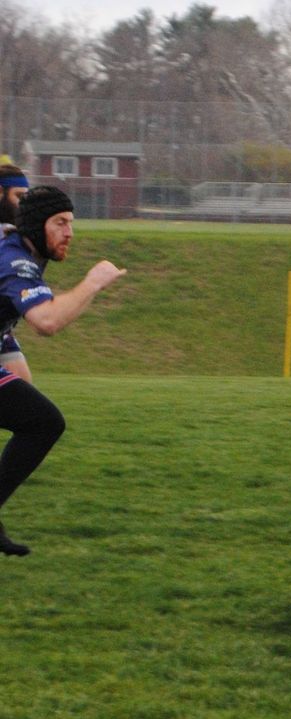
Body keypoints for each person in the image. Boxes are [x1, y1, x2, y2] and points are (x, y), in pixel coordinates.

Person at [0, 185, 127, 554]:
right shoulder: (17, 261)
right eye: (60, 223)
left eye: (71, 223)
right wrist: (93, 283)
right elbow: (47, 321)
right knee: (42, 421)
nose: (69, 232)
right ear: (37, 226)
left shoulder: (18, 245)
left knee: (24, 391)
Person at [0, 162, 32, 382]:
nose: (24, 204)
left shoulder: (15, 236)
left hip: (3, 330)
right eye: (19, 196)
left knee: (26, 395)